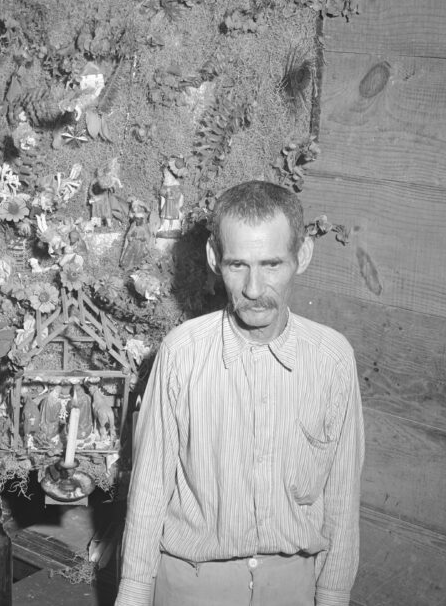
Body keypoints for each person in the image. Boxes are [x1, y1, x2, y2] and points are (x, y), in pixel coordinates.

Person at [115, 181, 364, 606]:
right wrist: (133, 595)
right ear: (214, 258)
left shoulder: (332, 358)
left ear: (301, 257)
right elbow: (150, 490)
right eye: (237, 265)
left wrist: (334, 597)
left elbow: (342, 497)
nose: (253, 288)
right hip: (191, 583)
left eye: (271, 264)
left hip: (292, 587)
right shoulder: (182, 351)